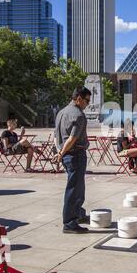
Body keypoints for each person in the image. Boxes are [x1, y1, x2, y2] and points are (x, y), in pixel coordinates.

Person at [54, 87, 92, 234]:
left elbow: (56, 136)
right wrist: (62, 153)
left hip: (67, 155)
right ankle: (69, 223)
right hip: (75, 154)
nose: (87, 104)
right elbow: (72, 138)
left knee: (78, 187)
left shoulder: (61, 112)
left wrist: (59, 152)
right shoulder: (79, 115)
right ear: (78, 99)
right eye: (86, 101)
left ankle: (78, 214)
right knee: (74, 189)